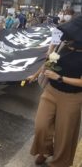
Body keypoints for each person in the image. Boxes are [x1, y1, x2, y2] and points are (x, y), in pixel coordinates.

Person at [27, 15, 82, 167]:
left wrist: (59, 78)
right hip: (51, 91)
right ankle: (45, 151)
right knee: (41, 125)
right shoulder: (63, 45)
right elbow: (50, 62)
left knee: (64, 135)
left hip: (72, 98)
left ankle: (59, 163)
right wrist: (36, 74)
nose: (67, 37)